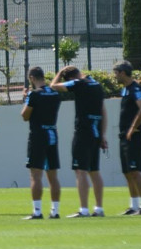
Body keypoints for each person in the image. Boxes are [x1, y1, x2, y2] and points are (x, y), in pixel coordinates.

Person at [50, 65, 108, 218]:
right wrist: (102, 135)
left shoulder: (78, 83)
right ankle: (99, 208)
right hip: (96, 132)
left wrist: (60, 72)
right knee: (94, 171)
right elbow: (103, 111)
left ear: (70, 78)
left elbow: (53, 86)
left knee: (80, 170)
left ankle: (84, 209)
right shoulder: (96, 85)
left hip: (83, 132)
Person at [21, 67, 62, 219]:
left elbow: (25, 116)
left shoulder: (34, 94)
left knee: (35, 175)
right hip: (52, 134)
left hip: (38, 135)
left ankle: (37, 212)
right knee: (53, 175)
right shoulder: (55, 94)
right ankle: (55, 211)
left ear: (31, 77)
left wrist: (26, 99)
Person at [112, 61, 141, 215]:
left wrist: (133, 128)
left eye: (116, 72)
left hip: (134, 136)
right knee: (127, 172)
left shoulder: (135, 88)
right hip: (124, 136)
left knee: (135, 172)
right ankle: (134, 206)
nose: (114, 76)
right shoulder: (125, 90)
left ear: (122, 73)